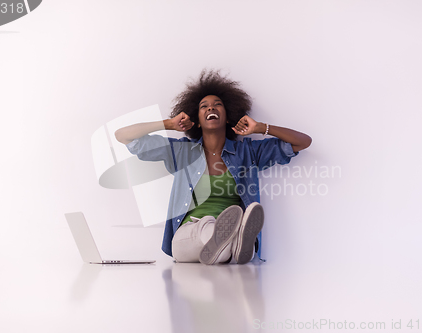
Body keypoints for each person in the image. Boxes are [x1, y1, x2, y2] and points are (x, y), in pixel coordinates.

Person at [115, 69, 311, 265]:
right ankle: (238, 244)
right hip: (188, 236)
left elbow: (302, 142)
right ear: (197, 121)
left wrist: (261, 128)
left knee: (220, 248)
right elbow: (123, 136)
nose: (211, 108)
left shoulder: (248, 152)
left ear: (227, 117)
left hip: (220, 243)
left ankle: (228, 246)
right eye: (204, 106)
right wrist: (168, 124)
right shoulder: (182, 152)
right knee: (207, 227)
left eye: (218, 105)